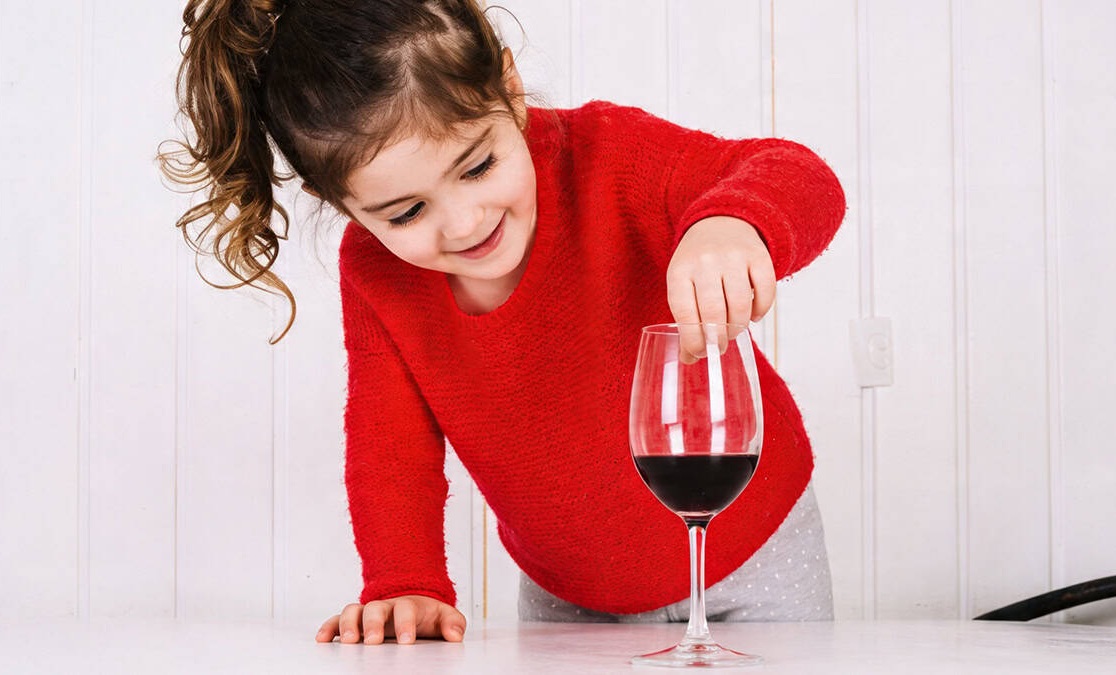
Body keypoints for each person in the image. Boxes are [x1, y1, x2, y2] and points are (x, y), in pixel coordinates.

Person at [159, 0, 846, 647]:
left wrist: (733, 222)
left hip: (756, 553)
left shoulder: (609, 156)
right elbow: (389, 439)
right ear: (339, 201)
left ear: (510, 91)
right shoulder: (375, 271)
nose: (464, 223)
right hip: (568, 596)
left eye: (479, 165)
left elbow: (797, 174)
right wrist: (404, 580)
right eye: (405, 212)